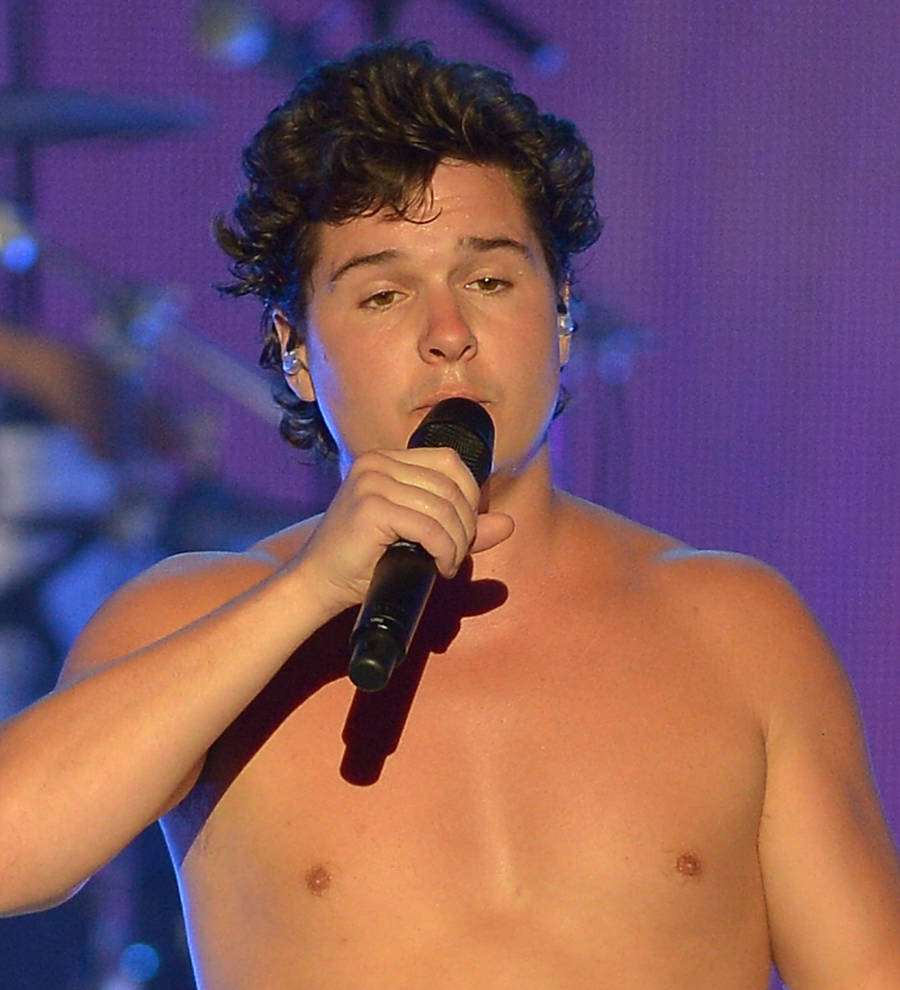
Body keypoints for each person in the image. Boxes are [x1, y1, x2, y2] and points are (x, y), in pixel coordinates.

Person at [1, 41, 898, 989]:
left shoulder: (734, 624)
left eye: (490, 281)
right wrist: (309, 592)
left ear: (563, 313)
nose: (448, 335)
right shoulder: (194, 615)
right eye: (384, 294)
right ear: (295, 353)